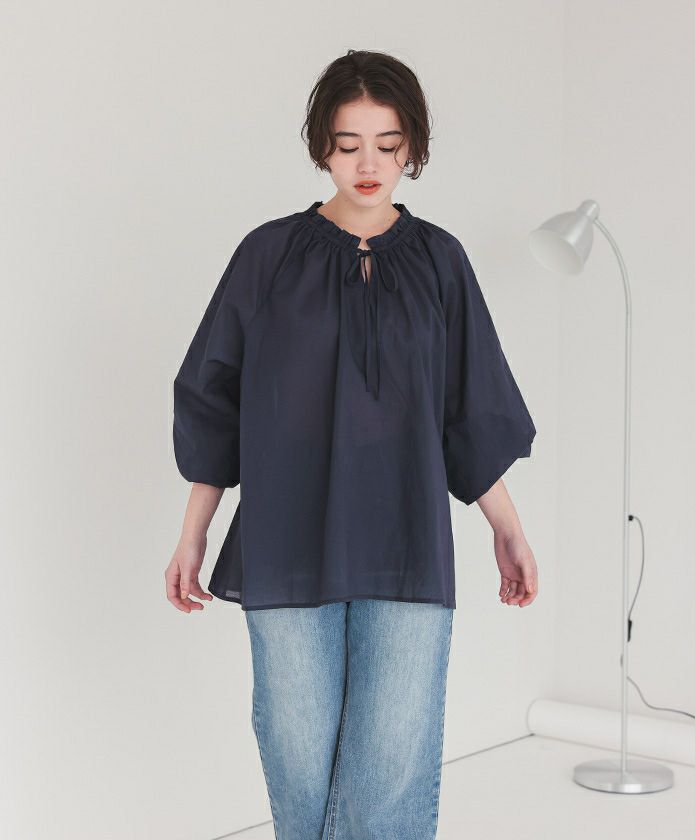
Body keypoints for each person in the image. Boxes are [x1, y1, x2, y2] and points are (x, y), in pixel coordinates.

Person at [166, 49, 538, 840]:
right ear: (321, 148)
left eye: (388, 144)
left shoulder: (440, 261)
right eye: (348, 145)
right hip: (286, 543)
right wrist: (193, 533)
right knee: (300, 773)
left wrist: (507, 527)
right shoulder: (267, 256)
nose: (369, 165)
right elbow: (212, 398)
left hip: (407, 544)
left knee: (388, 780)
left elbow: (467, 406)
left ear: (413, 147)